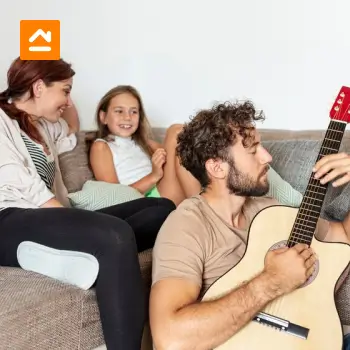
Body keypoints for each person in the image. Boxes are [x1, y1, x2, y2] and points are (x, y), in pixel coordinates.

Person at [0, 57, 176, 350]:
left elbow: (71, 127)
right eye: (66, 90)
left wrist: (77, 226)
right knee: (114, 235)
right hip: (9, 221)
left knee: (162, 209)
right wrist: (73, 222)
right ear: (39, 87)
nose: (69, 100)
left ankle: (76, 257)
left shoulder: (43, 127)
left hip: (45, 219)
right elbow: (22, 183)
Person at [149, 101, 350, 349]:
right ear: (216, 167)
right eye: (253, 150)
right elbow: (169, 339)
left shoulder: (270, 209)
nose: (268, 157)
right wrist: (272, 280)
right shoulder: (186, 226)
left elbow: (342, 234)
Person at [89, 85, 202, 206]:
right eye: (119, 111)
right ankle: (206, 211)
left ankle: (206, 204)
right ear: (103, 117)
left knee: (182, 141)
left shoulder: (143, 143)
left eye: (133, 112)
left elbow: (179, 159)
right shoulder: (101, 146)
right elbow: (115, 198)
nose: (127, 117)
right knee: (176, 131)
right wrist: (154, 176)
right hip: (147, 201)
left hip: (163, 190)